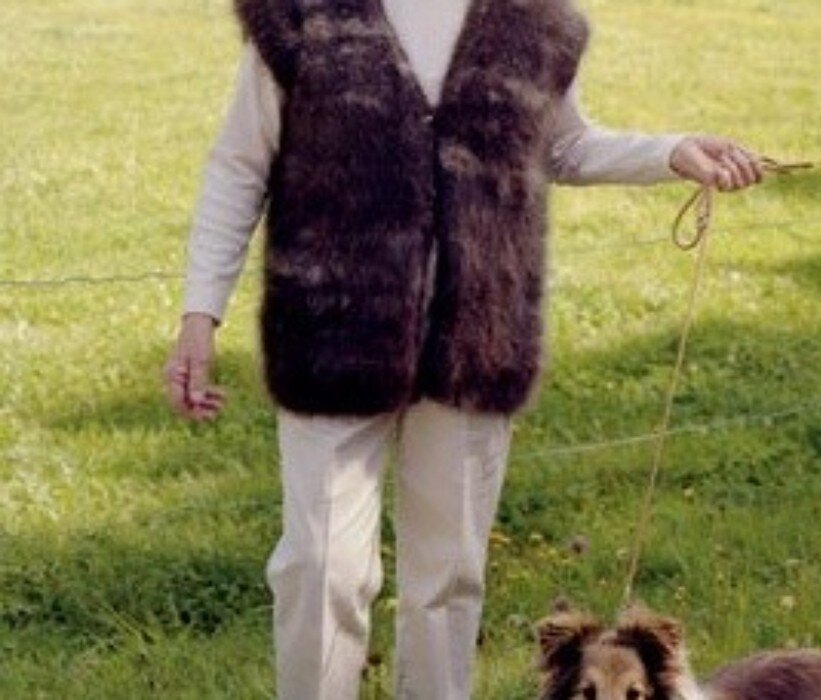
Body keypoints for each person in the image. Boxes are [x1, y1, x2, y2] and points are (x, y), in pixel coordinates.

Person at [164, 0, 764, 697]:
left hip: (476, 340)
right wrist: (200, 313)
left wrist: (669, 152)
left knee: (447, 579)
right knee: (320, 567)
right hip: (331, 335)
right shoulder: (303, 16)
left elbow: (561, 145)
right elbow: (239, 166)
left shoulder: (532, 20)